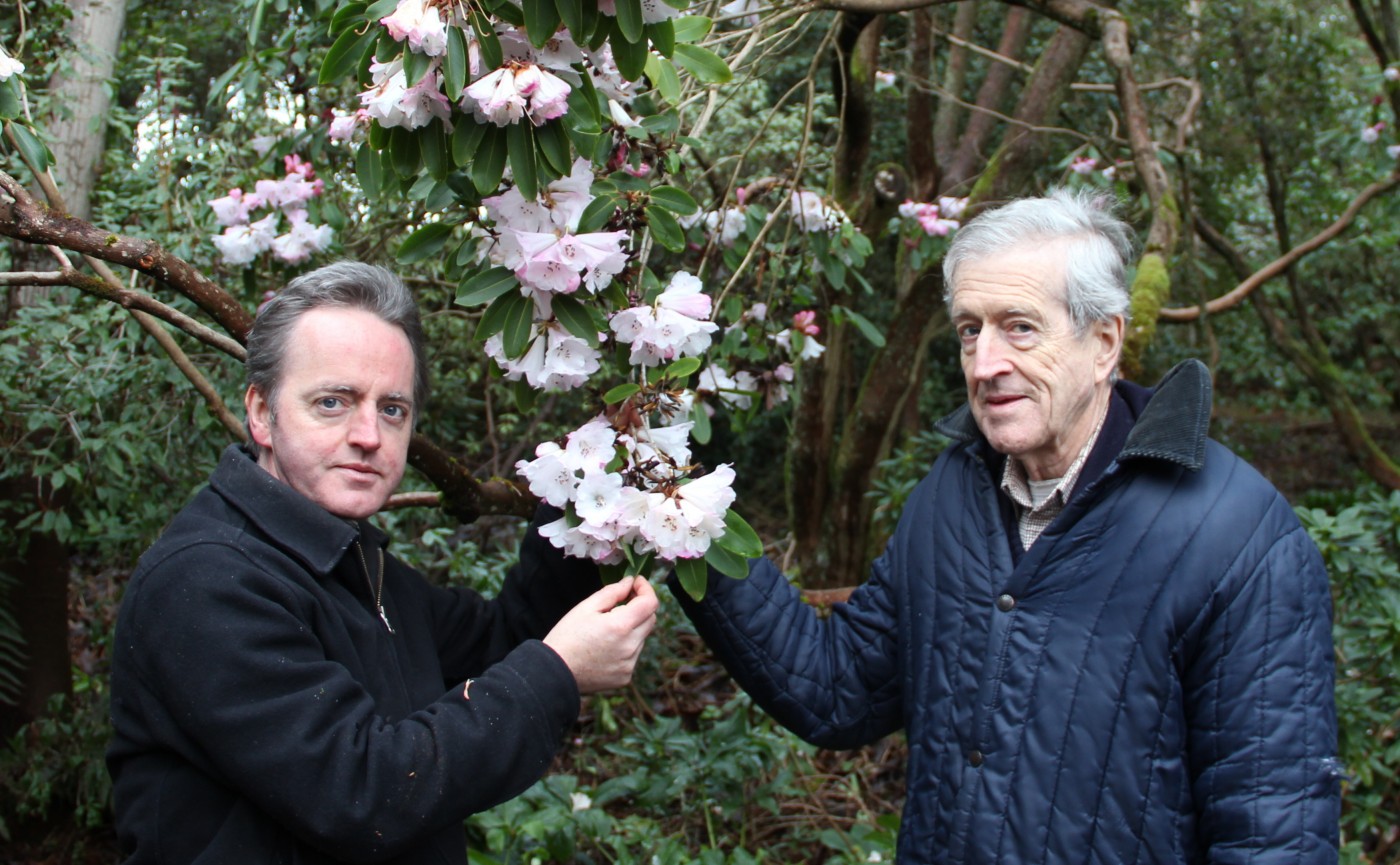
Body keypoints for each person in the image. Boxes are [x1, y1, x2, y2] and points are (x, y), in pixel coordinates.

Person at [674, 190, 1340, 863]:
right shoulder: (951, 496)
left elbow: (1272, 835)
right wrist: (681, 514)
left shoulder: (1236, 537)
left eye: (1019, 326)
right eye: (970, 329)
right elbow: (840, 689)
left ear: (1105, 341)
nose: (985, 363)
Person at [107, 261, 659, 865]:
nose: (368, 434)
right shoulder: (207, 579)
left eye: (392, 409)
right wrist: (558, 671)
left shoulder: (362, 570)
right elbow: (365, 794)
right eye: (332, 402)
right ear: (261, 413)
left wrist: (584, 496)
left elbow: (504, 641)